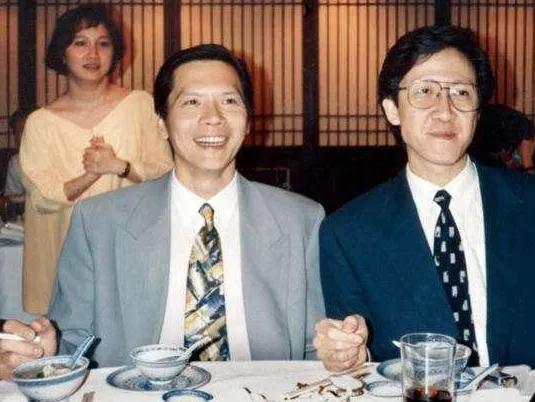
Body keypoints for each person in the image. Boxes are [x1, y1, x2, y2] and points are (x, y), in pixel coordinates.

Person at [314, 25, 535, 384]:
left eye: (461, 92)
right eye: (424, 91)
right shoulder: (348, 232)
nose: (445, 111)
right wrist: (349, 355)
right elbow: (360, 365)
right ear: (392, 109)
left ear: (478, 111)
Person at [0, 43, 324, 377]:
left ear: (248, 122)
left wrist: (342, 351)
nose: (213, 117)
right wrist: (46, 354)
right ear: (161, 123)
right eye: (191, 102)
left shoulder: (300, 221)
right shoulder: (98, 222)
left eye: (229, 101)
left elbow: (316, 347)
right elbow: (73, 343)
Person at [19, 4, 172, 314]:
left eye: (103, 44)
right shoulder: (40, 122)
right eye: (80, 43)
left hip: (132, 247)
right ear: (62, 53)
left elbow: (166, 172)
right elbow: (43, 196)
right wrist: (93, 173)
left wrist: (121, 167)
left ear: (114, 53)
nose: (93, 54)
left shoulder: (140, 105)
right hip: (65, 253)